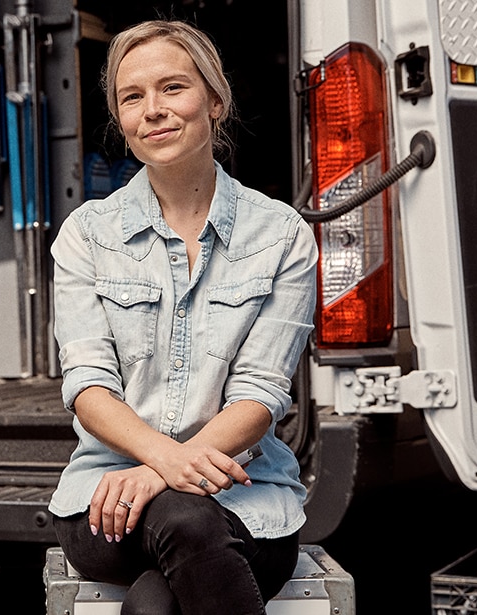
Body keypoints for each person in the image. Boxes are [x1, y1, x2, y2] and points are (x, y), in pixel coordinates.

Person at [48, 20, 319, 615]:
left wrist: (158, 474)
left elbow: (262, 393)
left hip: (249, 507)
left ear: (215, 101)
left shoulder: (281, 235)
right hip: (106, 504)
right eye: (132, 96)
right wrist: (164, 462)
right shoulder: (87, 236)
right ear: (119, 118)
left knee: (156, 601)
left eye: (173, 88)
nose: (153, 111)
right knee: (184, 519)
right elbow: (87, 386)